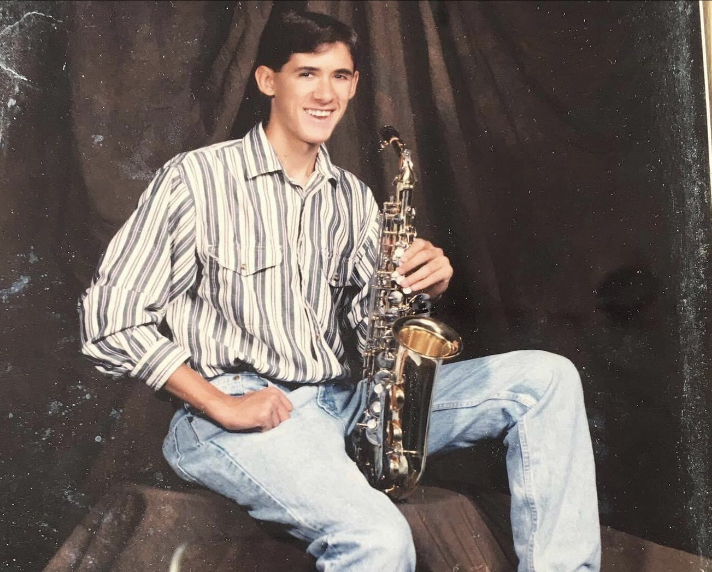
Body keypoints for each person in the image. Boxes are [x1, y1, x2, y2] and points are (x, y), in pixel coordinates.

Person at [79, 10, 601, 572]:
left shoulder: (353, 198)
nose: (326, 93)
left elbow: (374, 328)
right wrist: (221, 405)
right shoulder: (198, 179)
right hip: (246, 409)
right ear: (266, 80)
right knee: (376, 537)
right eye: (307, 73)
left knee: (547, 379)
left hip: (346, 403)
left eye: (341, 76)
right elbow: (110, 319)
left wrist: (422, 282)